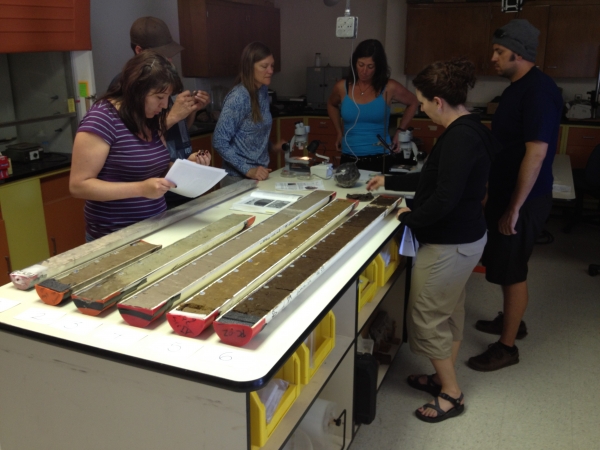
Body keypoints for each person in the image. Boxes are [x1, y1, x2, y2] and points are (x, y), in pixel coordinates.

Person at [366, 58, 501, 422]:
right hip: (467, 239)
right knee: (450, 312)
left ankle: (452, 394)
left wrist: (409, 216)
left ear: (439, 101)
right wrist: (391, 183)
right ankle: (443, 381)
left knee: (425, 317)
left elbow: (444, 198)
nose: (421, 109)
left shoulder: (459, 138)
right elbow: (437, 182)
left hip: (449, 245)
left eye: (423, 103)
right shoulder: (473, 127)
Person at [467, 20, 563, 372]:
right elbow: (505, 147)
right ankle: (512, 320)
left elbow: (536, 154)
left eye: (499, 51)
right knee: (501, 264)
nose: (492, 57)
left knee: (512, 272)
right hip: (506, 194)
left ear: (518, 53)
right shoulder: (515, 88)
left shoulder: (539, 91)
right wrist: (492, 191)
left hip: (524, 200)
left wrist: (514, 209)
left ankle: (507, 346)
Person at [70, 51, 210, 241]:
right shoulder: (102, 119)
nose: (164, 104)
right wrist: (140, 189)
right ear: (137, 90)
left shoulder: (150, 117)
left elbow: (154, 168)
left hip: (156, 227)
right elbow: (79, 186)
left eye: (168, 97)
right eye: (159, 97)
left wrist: (187, 166)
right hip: (114, 236)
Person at [123, 17, 211, 208]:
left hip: (179, 177)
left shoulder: (161, 81)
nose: (169, 60)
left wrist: (190, 110)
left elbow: (175, 129)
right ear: (139, 51)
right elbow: (137, 141)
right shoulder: (126, 88)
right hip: (156, 191)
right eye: (162, 54)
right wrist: (174, 115)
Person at [327, 39, 419, 172]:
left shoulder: (389, 87)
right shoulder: (342, 87)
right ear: (354, 63)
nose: (364, 71)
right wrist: (338, 132)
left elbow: (413, 102)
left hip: (379, 159)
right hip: (349, 157)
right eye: (361, 64)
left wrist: (400, 131)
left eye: (370, 67)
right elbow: (331, 104)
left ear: (378, 67)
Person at [212, 42, 285, 187]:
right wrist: (248, 170)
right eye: (264, 66)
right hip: (237, 179)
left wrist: (271, 146)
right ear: (249, 67)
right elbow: (219, 141)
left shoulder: (262, 90)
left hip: (259, 175)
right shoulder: (239, 97)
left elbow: (249, 133)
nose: (270, 71)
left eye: (272, 65)